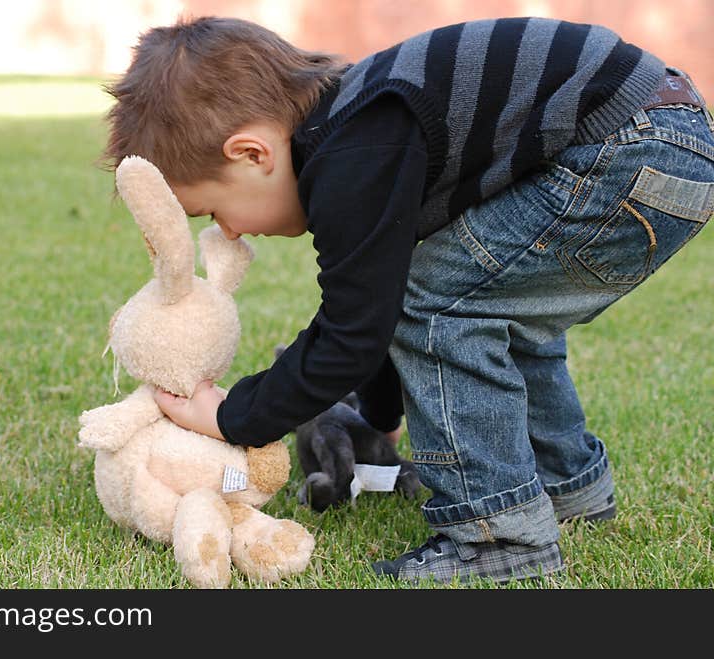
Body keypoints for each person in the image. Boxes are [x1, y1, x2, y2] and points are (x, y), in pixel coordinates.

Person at [101, 15, 714, 584]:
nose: (227, 231)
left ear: (252, 153)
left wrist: (230, 415)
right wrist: (378, 419)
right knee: (478, 295)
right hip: (658, 135)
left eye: (213, 209)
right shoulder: (354, 125)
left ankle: (497, 535)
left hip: (629, 150)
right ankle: (567, 486)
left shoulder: (353, 155)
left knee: (442, 305)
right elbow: (380, 299)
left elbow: (354, 330)